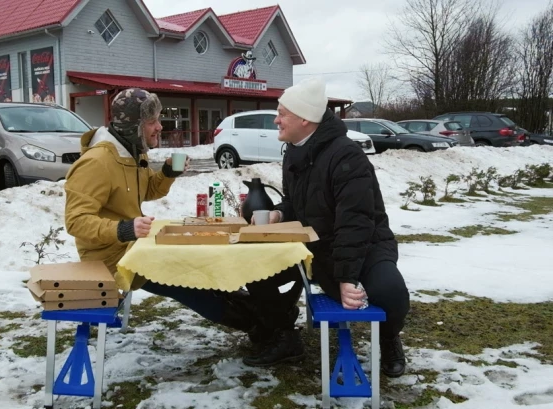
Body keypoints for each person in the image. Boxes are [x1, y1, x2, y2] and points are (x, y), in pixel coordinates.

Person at [63, 88, 258, 337]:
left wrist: (167, 173)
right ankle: (255, 324)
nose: (160, 127)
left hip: (134, 247)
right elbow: (76, 221)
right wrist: (124, 228)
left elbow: (146, 192)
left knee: (194, 263)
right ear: (134, 125)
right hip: (110, 258)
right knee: (182, 280)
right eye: (152, 121)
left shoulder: (132, 151)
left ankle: (259, 310)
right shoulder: (96, 162)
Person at [249, 77, 411, 377]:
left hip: (367, 246)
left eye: (282, 113)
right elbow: (298, 203)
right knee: (258, 272)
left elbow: (357, 220)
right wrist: (279, 214)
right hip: (318, 247)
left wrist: (347, 277)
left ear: (305, 120)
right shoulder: (295, 151)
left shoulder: (346, 156)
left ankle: (389, 338)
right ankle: (284, 336)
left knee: (390, 292)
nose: (276, 120)